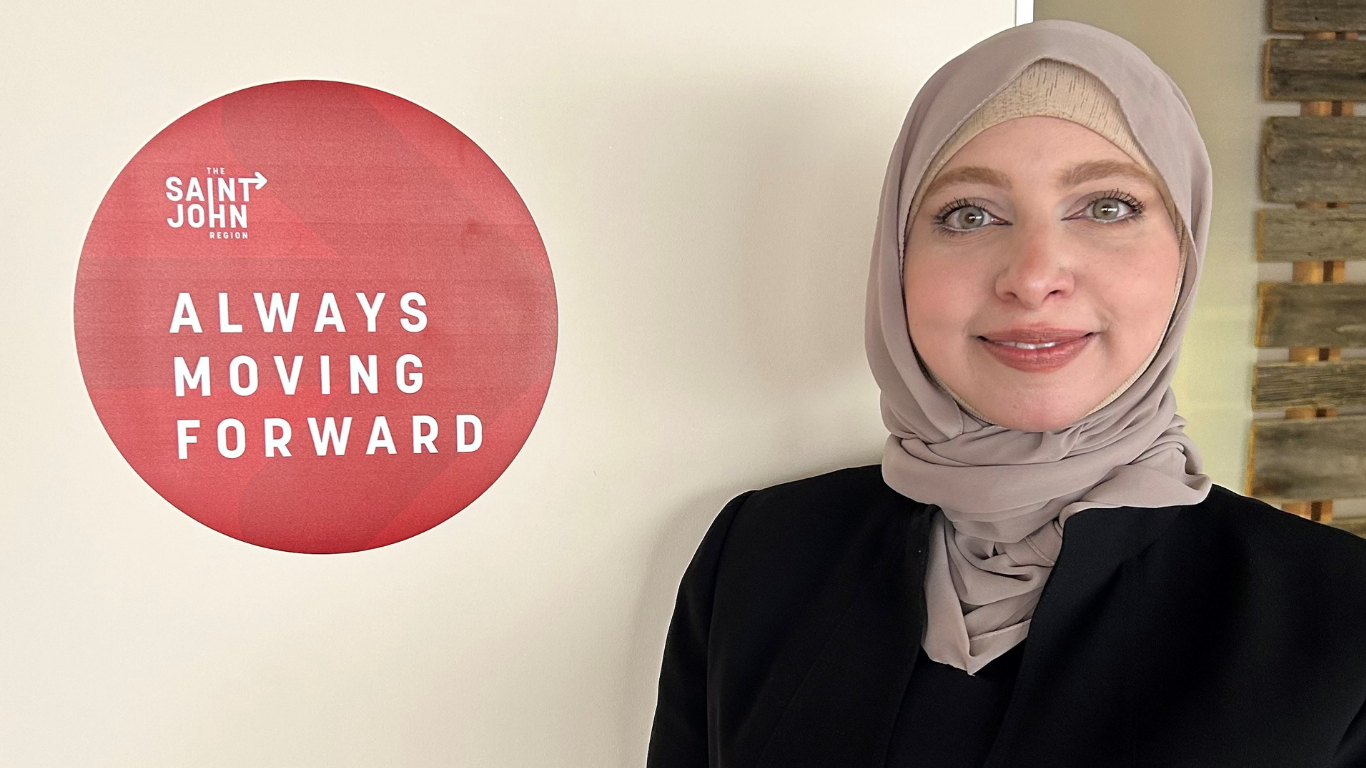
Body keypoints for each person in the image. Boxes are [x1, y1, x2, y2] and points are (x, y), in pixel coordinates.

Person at [645, 18, 1366, 768]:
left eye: (1107, 206)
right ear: (897, 258)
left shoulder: (1336, 620)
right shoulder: (761, 554)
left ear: (1184, 255)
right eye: (970, 214)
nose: (1032, 275)